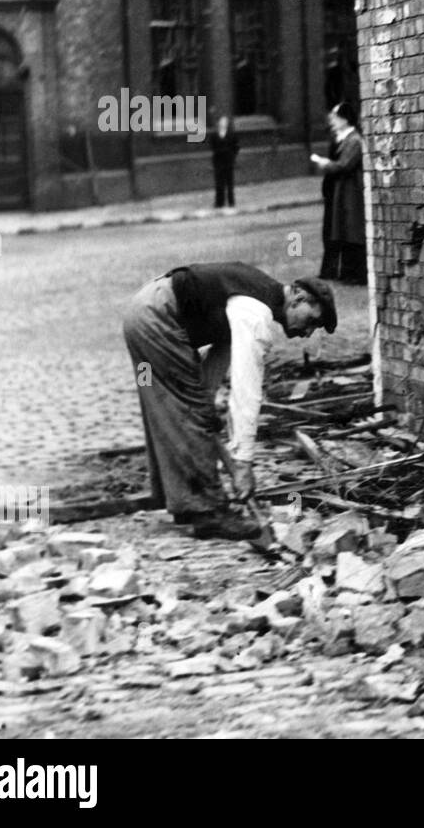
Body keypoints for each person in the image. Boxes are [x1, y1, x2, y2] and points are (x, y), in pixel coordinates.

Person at [122, 263, 337, 539]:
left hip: (144, 311)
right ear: (297, 296)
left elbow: (222, 351)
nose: (308, 332)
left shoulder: (252, 297)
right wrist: (243, 462)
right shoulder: (256, 314)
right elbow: (246, 390)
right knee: (188, 412)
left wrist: (204, 402)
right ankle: (209, 512)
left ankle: (186, 504)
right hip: (157, 317)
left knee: (175, 409)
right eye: (312, 321)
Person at [311, 102, 367, 285]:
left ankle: (356, 274)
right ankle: (346, 272)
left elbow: (345, 165)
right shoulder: (344, 138)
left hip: (351, 193)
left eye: (335, 117)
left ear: (345, 119)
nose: (332, 121)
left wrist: (325, 164)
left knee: (352, 232)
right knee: (344, 232)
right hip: (343, 192)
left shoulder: (354, 140)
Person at [208, 113, 240, 210]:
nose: (223, 124)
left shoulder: (232, 134)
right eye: (221, 122)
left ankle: (231, 202)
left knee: (230, 183)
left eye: (225, 122)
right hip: (218, 162)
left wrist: (232, 156)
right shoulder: (214, 135)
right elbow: (212, 146)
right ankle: (219, 203)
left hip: (228, 161)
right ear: (218, 123)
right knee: (219, 183)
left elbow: (236, 147)